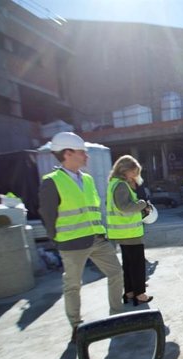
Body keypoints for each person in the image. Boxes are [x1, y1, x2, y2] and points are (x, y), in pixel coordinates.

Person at [38, 132, 123, 341]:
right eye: (82, 152)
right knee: (73, 285)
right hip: (72, 243)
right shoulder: (52, 181)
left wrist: (102, 234)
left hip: (97, 239)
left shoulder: (87, 179)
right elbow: (47, 215)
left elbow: (93, 210)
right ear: (67, 154)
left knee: (116, 272)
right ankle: (76, 325)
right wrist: (56, 240)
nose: (87, 156)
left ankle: (117, 315)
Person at [106, 155, 154, 306]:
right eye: (134, 172)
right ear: (125, 170)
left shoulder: (114, 183)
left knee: (128, 264)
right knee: (137, 264)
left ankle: (129, 292)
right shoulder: (121, 185)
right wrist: (141, 204)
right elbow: (125, 207)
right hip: (130, 232)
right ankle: (140, 294)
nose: (135, 175)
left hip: (123, 232)